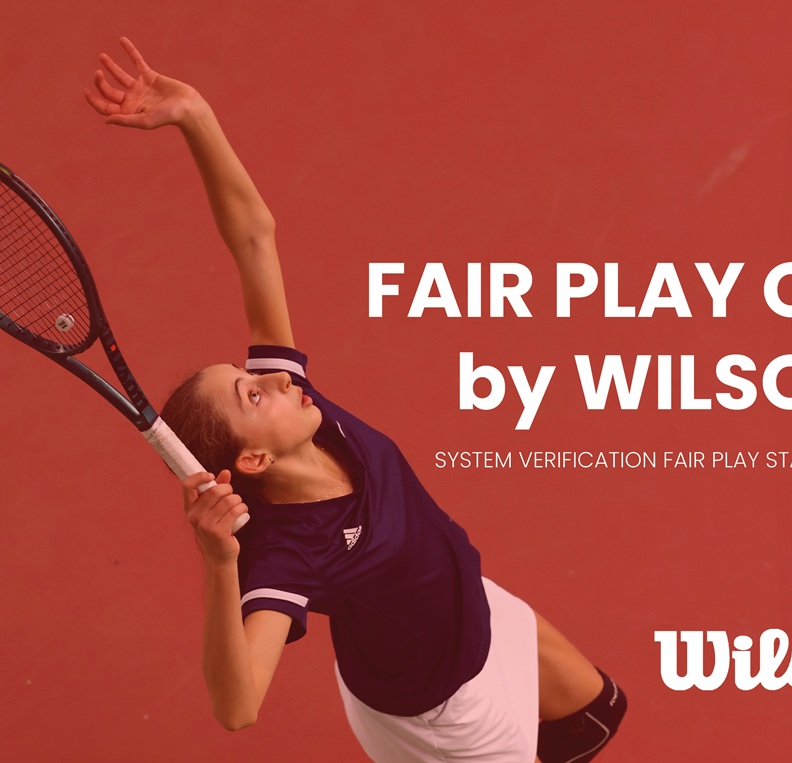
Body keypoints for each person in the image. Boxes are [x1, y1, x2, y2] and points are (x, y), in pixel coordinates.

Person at [84, 38, 626, 763]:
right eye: (254, 393)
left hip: (474, 610)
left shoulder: (307, 413)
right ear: (254, 457)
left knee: (596, 718)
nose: (279, 378)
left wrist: (196, 116)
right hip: (446, 712)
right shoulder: (287, 554)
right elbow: (237, 709)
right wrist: (218, 563)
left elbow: (254, 239)